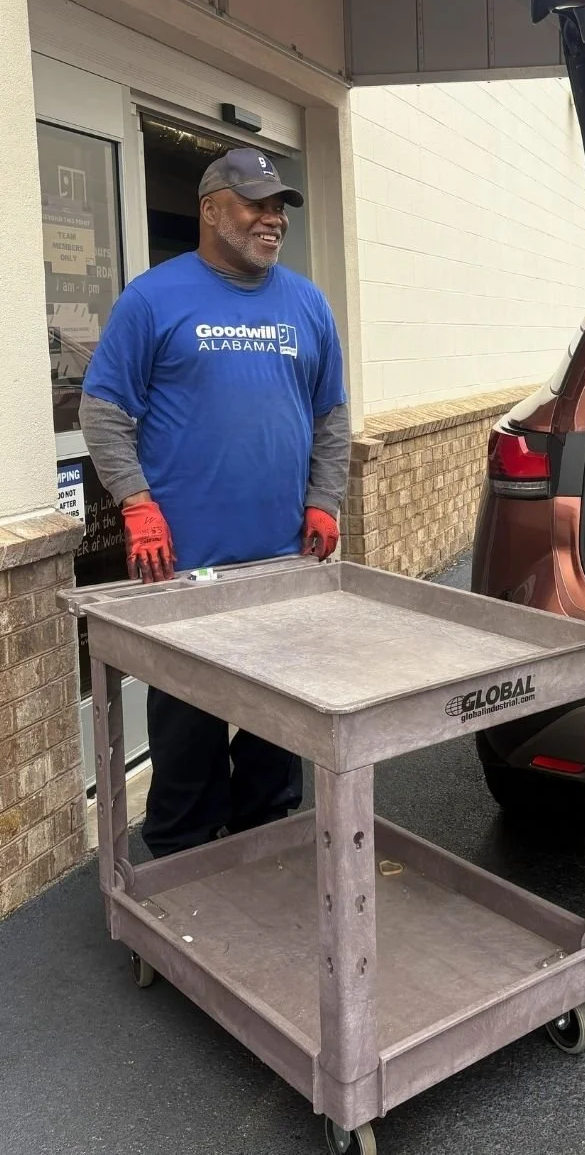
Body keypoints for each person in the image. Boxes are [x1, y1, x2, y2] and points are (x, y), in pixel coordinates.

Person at [80, 148, 351, 858]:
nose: (273, 219)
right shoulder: (154, 299)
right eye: (256, 204)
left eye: (280, 206)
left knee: (277, 724)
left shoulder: (307, 303)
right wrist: (136, 504)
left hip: (283, 563)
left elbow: (331, 416)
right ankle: (183, 866)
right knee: (188, 729)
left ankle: (266, 848)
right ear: (210, 209)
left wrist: (325, 500)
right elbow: (103, 408)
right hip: (188, 569)